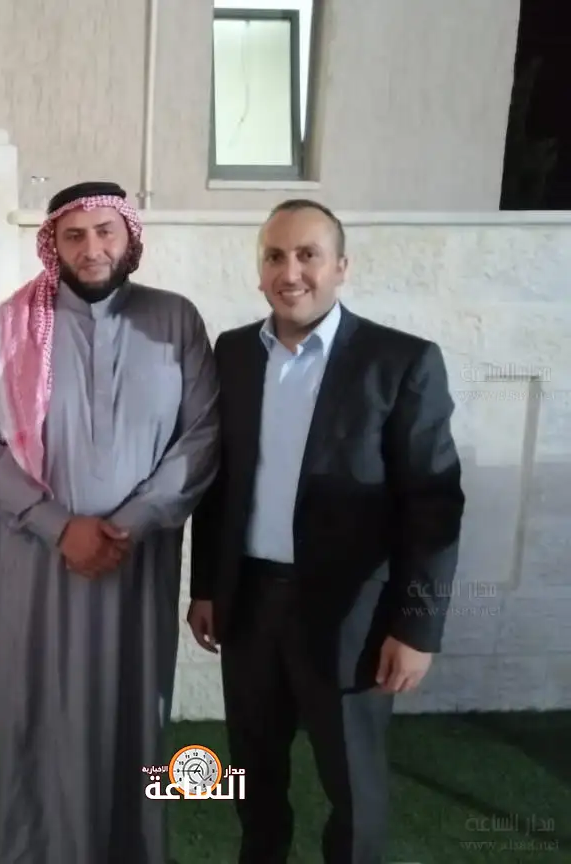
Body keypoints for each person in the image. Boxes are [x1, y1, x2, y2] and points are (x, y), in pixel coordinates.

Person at [187, 199, 466, 864]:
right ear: (259, 271)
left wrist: (417, 628)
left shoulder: (401, 361)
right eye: (275, 256)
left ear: (341, 267)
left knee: (353, 790)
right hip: (250, 605)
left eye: (308, 255)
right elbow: (219, 483)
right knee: (252, 778)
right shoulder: (233, 353)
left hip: (352, 619)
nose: (291, 272)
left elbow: (433, 505)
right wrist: (206, 588)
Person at [0, 180, 221, 864]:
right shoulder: (12, 324)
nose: (92, 248)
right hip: (39, 564)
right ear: (53, 244)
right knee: (38, 709)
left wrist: (126, 525)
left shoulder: (175, 320)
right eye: (74, 235)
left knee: (133, 708)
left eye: (106, 231)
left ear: (130, 235)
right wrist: (59, 526)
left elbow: (200, 438)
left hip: (136, 564)